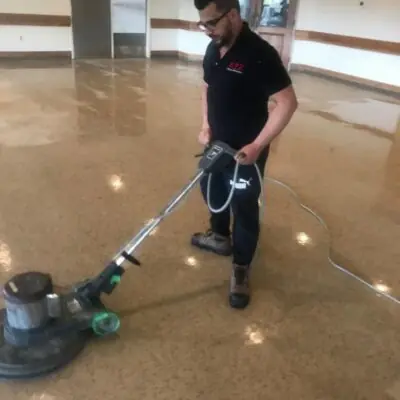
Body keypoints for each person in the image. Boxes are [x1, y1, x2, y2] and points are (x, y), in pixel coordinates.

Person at [191, 0, 298, 309]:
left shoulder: (260, 54)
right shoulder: (214, 47)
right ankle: (220, 236)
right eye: (203, 24)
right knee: (210, 188)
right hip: (216, 144)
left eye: (211, 23)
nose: (207, 30)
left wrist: (257, 146)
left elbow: (287, 103)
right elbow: (207, 88)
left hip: (245, 152)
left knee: (244, 204)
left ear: (233, 15)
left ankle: (241, 265)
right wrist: (205, 124)